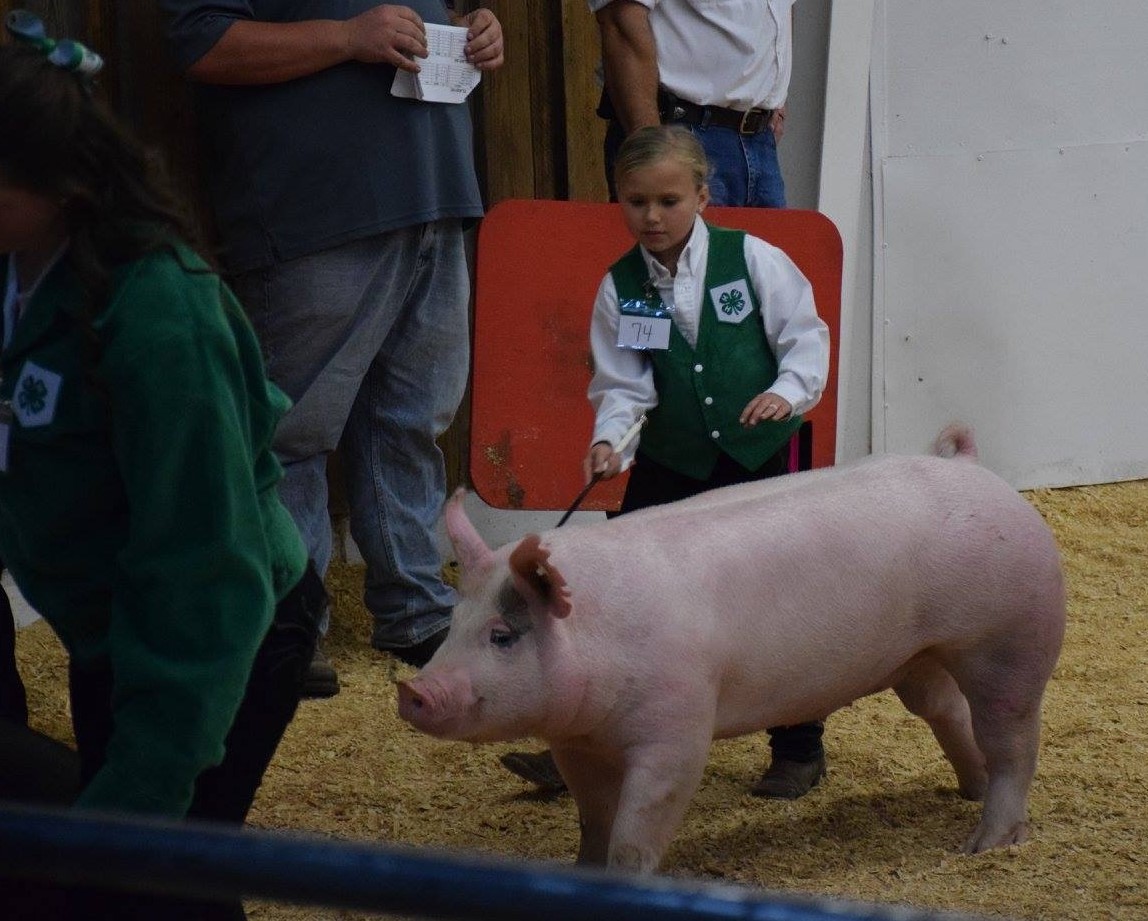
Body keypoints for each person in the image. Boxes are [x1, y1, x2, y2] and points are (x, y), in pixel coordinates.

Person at [0, 27, 323, 919]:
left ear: (63, 182)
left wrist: (140, 791)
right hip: (114, 621)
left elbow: (203, 569)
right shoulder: (18, 272)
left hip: (224, 626)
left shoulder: (156, 310)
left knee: (155, 873)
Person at [159, 1, 505, 697]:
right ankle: (288, 622)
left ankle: (414, 609)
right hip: (317, 207)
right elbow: (199, 42)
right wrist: (349, 38)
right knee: (292, 428)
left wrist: (476, 30)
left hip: (431, 192)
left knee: (412, 418)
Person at [501, 126, 830, 801]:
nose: (652, 216)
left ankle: (798, 746)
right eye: (636, 201)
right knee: (623, 596)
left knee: (776, 600)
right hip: (671, 459)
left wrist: (782, 393)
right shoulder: (620, 286)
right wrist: (610, 442)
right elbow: (624, 386)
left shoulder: (754, 259)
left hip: (756, 458)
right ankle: (590, 746)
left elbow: (806, 339)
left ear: (704, 196)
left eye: (668, 200)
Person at [591, 0, 795, 206]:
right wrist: (651, 147)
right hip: (679, 132)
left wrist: (775, 96)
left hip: (760, 142)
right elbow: (621, 20)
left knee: (768, 238)